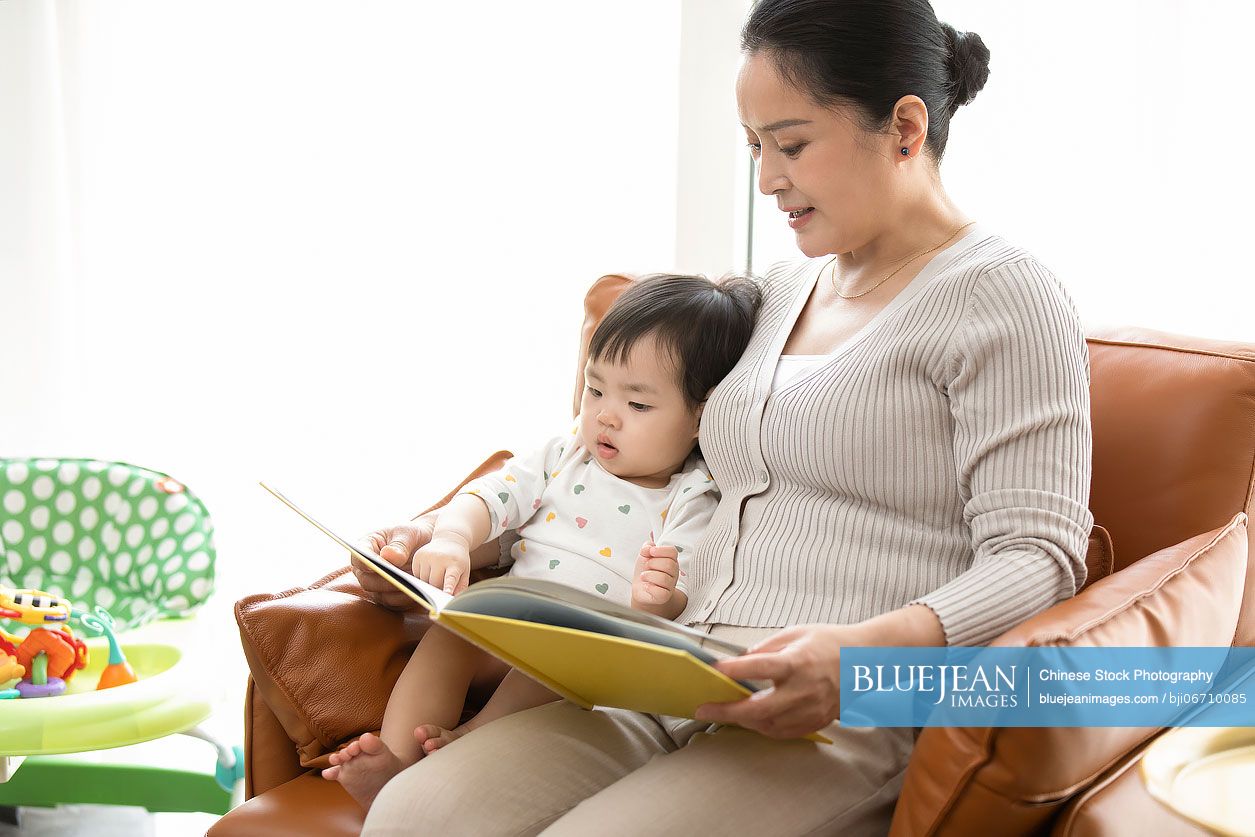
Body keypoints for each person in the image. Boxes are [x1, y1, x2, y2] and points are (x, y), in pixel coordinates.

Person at [353, 1, 1094, 833]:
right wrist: (455, 532)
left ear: (905, 128)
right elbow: (630, 454)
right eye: (754, 147)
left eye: (791, 143)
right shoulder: (778, 291)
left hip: (829, 714)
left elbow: (1038, 557)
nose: (767, 178)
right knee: (412, 815)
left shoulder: (1005, 295)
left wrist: (857, 660)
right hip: (662, 670)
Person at [324, 273, 761, 811]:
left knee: (550, 671)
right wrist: (455, 539)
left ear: (701, 415)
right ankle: (392, 762)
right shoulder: (567, 451)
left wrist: (659, 599)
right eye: (595, 388)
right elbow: (491, 495)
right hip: (503, 620)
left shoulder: (693, 495)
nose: (604, 414)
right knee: (448, 634)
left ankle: (471, 739)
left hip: (577, 652)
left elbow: (683, 590)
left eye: (638, 405)